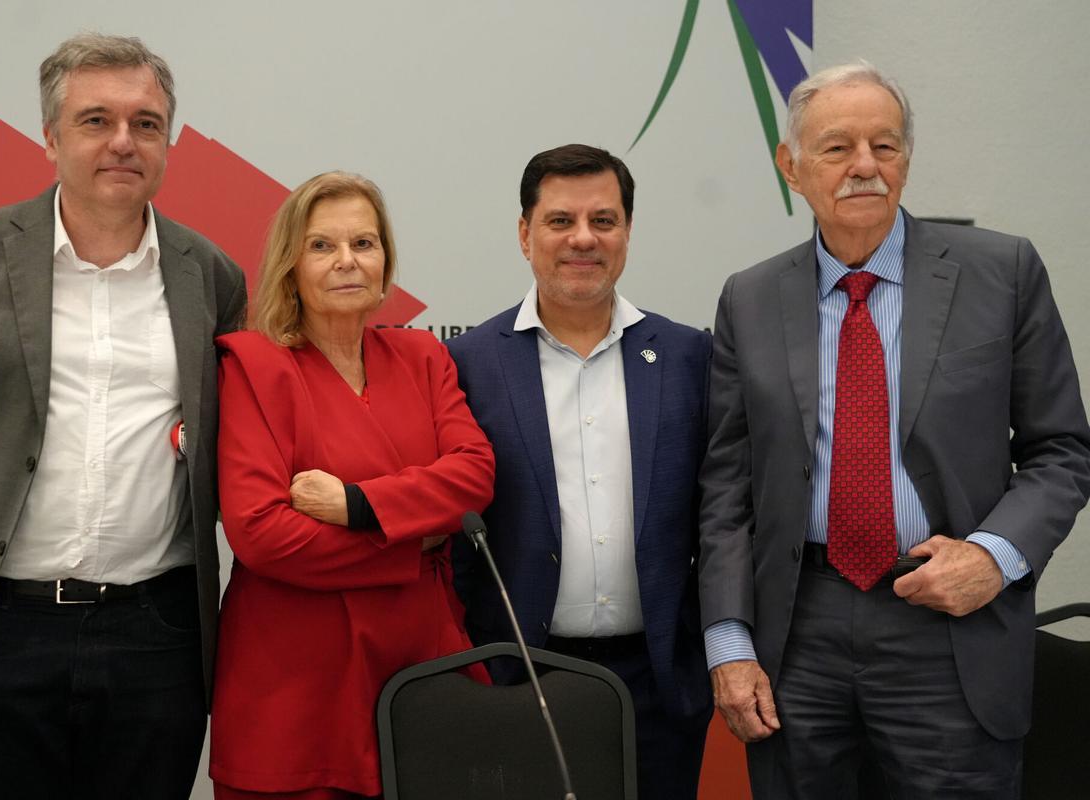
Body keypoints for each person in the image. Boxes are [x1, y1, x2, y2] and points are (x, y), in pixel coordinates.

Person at [698, 61, 1090, 799]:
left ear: (907, 159)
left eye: (886, 145)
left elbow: (1062, 450)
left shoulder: (1000, 271)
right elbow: (726, 486)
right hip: (797, 633)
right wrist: (728, 641)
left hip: (951, 624)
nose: (865, 167)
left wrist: (993, 558)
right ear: (792, 167)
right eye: (838, 147)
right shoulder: (748, 299)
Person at [0, 33, 246, 798]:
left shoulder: (211, 276)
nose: (124, 141)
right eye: (96, 121)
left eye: (146, 123)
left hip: (155, 639)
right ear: (49, 137)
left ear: (168, 141)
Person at [210, 171, 495, 800]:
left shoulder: (424, 357)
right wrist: (406, 544)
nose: (347, 261)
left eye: (364, 243)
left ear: (386, 259)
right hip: (295, 688)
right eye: (322, 246)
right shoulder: (253, 366)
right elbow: (261, 535)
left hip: (421, 667)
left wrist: (356, 505)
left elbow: (473, 478)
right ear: (291, 262)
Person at [447, 144, 714, 799]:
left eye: (604, 219)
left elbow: (725, 514)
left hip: (656, 686)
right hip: (516, 680)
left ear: (627, 231)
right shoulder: (468, 363)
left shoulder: (688, 357)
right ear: (524, 233)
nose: (583, 239)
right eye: (561, 220)